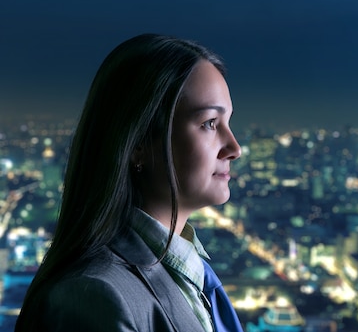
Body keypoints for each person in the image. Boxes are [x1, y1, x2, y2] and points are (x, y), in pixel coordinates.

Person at [16, 34, 244, 332]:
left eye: (228, 123)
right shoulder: (94, 298)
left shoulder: (189, 277)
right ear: (138, 143)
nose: (234, 148)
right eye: (209, 124)